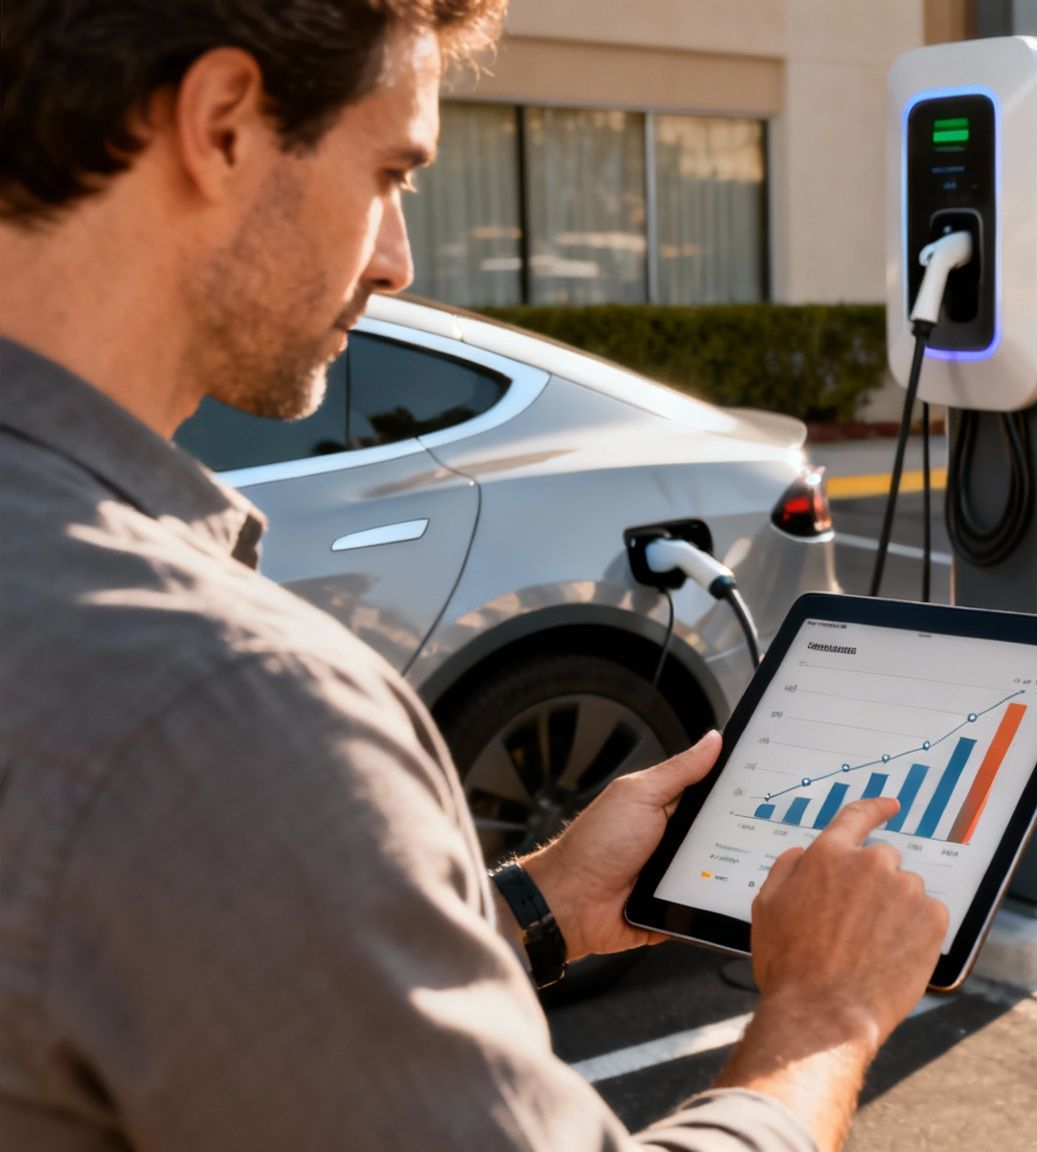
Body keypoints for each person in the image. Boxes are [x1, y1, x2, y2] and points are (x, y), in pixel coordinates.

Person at [0, 2, 949, 1150]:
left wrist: (535, 908)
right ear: (222, 125)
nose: (396, 258)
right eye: (390, 171)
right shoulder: (224, 703)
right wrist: (828, 1008)